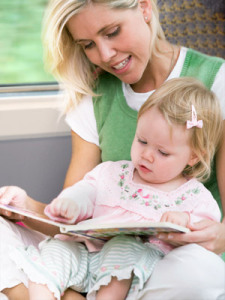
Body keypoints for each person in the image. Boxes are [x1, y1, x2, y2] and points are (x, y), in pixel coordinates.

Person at [0, 0, 225, 299]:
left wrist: (214, 234)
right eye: (88, 44)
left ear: (145, 7)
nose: (104, 55)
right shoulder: (94, 95)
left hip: (166, 263)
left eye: (113, 32)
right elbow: (70, 224)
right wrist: (25, 207)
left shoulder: (217, 82)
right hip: (92, 257)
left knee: (200, 274)